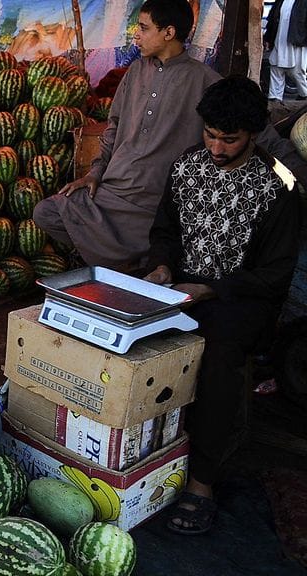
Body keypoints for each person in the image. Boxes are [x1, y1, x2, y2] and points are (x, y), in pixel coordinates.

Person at [32, 0, 306, 273]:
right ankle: (128, 263)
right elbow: (113, 127)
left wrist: (300, 173)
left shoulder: (205, 79)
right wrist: (94, 173)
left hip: (156, 200)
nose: (135, 35)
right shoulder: (134, 72)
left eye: (143, 28)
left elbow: (258, 132)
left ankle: (135, 264)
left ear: (169, 32)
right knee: (45, 212)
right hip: (112, 191)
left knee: (158, 244)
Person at [144, 76, 300, 535]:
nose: (215, 146)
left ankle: (201, 480)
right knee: (131, 334)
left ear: (253, 133)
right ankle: (138, 459)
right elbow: (165, 232)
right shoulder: (186, 166)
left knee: (215, 357)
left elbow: (276, 274)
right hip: (183, 290)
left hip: (242, 302)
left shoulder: (278, 186)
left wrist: (212, 290)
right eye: (209, 135)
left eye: (228, 139)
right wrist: (161, 267)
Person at [264, 0, 307, 101]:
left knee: (296, 71)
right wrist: (268, 38)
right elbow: (272, 20)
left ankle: (304, 94)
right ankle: (274, 97)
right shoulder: (280, 1)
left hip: (298, 42)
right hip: (279, 40)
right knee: (276, 67)